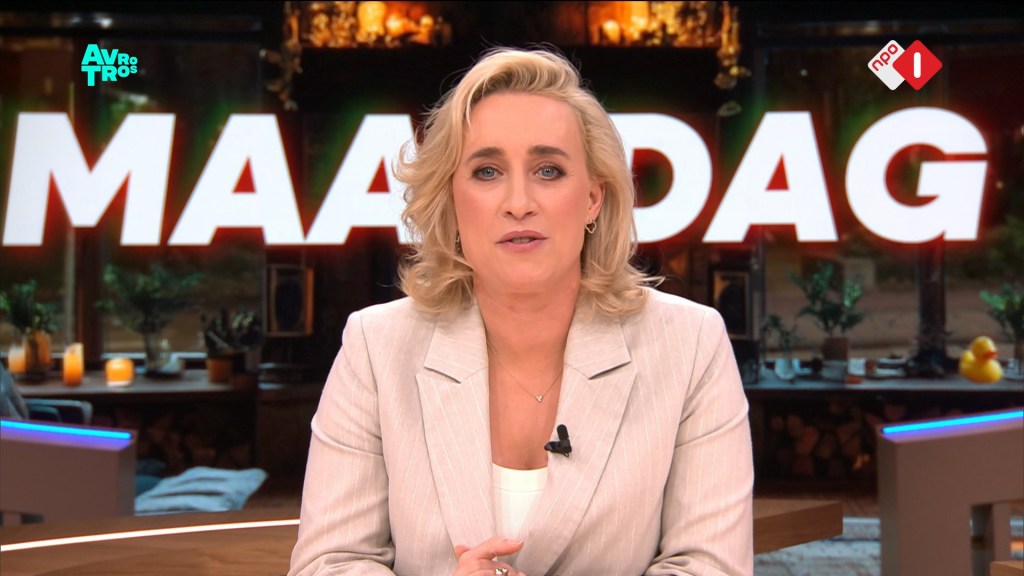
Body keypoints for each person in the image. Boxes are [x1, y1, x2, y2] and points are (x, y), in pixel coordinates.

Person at [289, 47, 753, 576]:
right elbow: (330, 563)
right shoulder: (377, 348)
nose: (518, 202)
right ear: (451, 199)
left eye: (548, 170)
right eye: (486, 171)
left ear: (593, 198)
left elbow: (710, 566)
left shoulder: (689, 345)